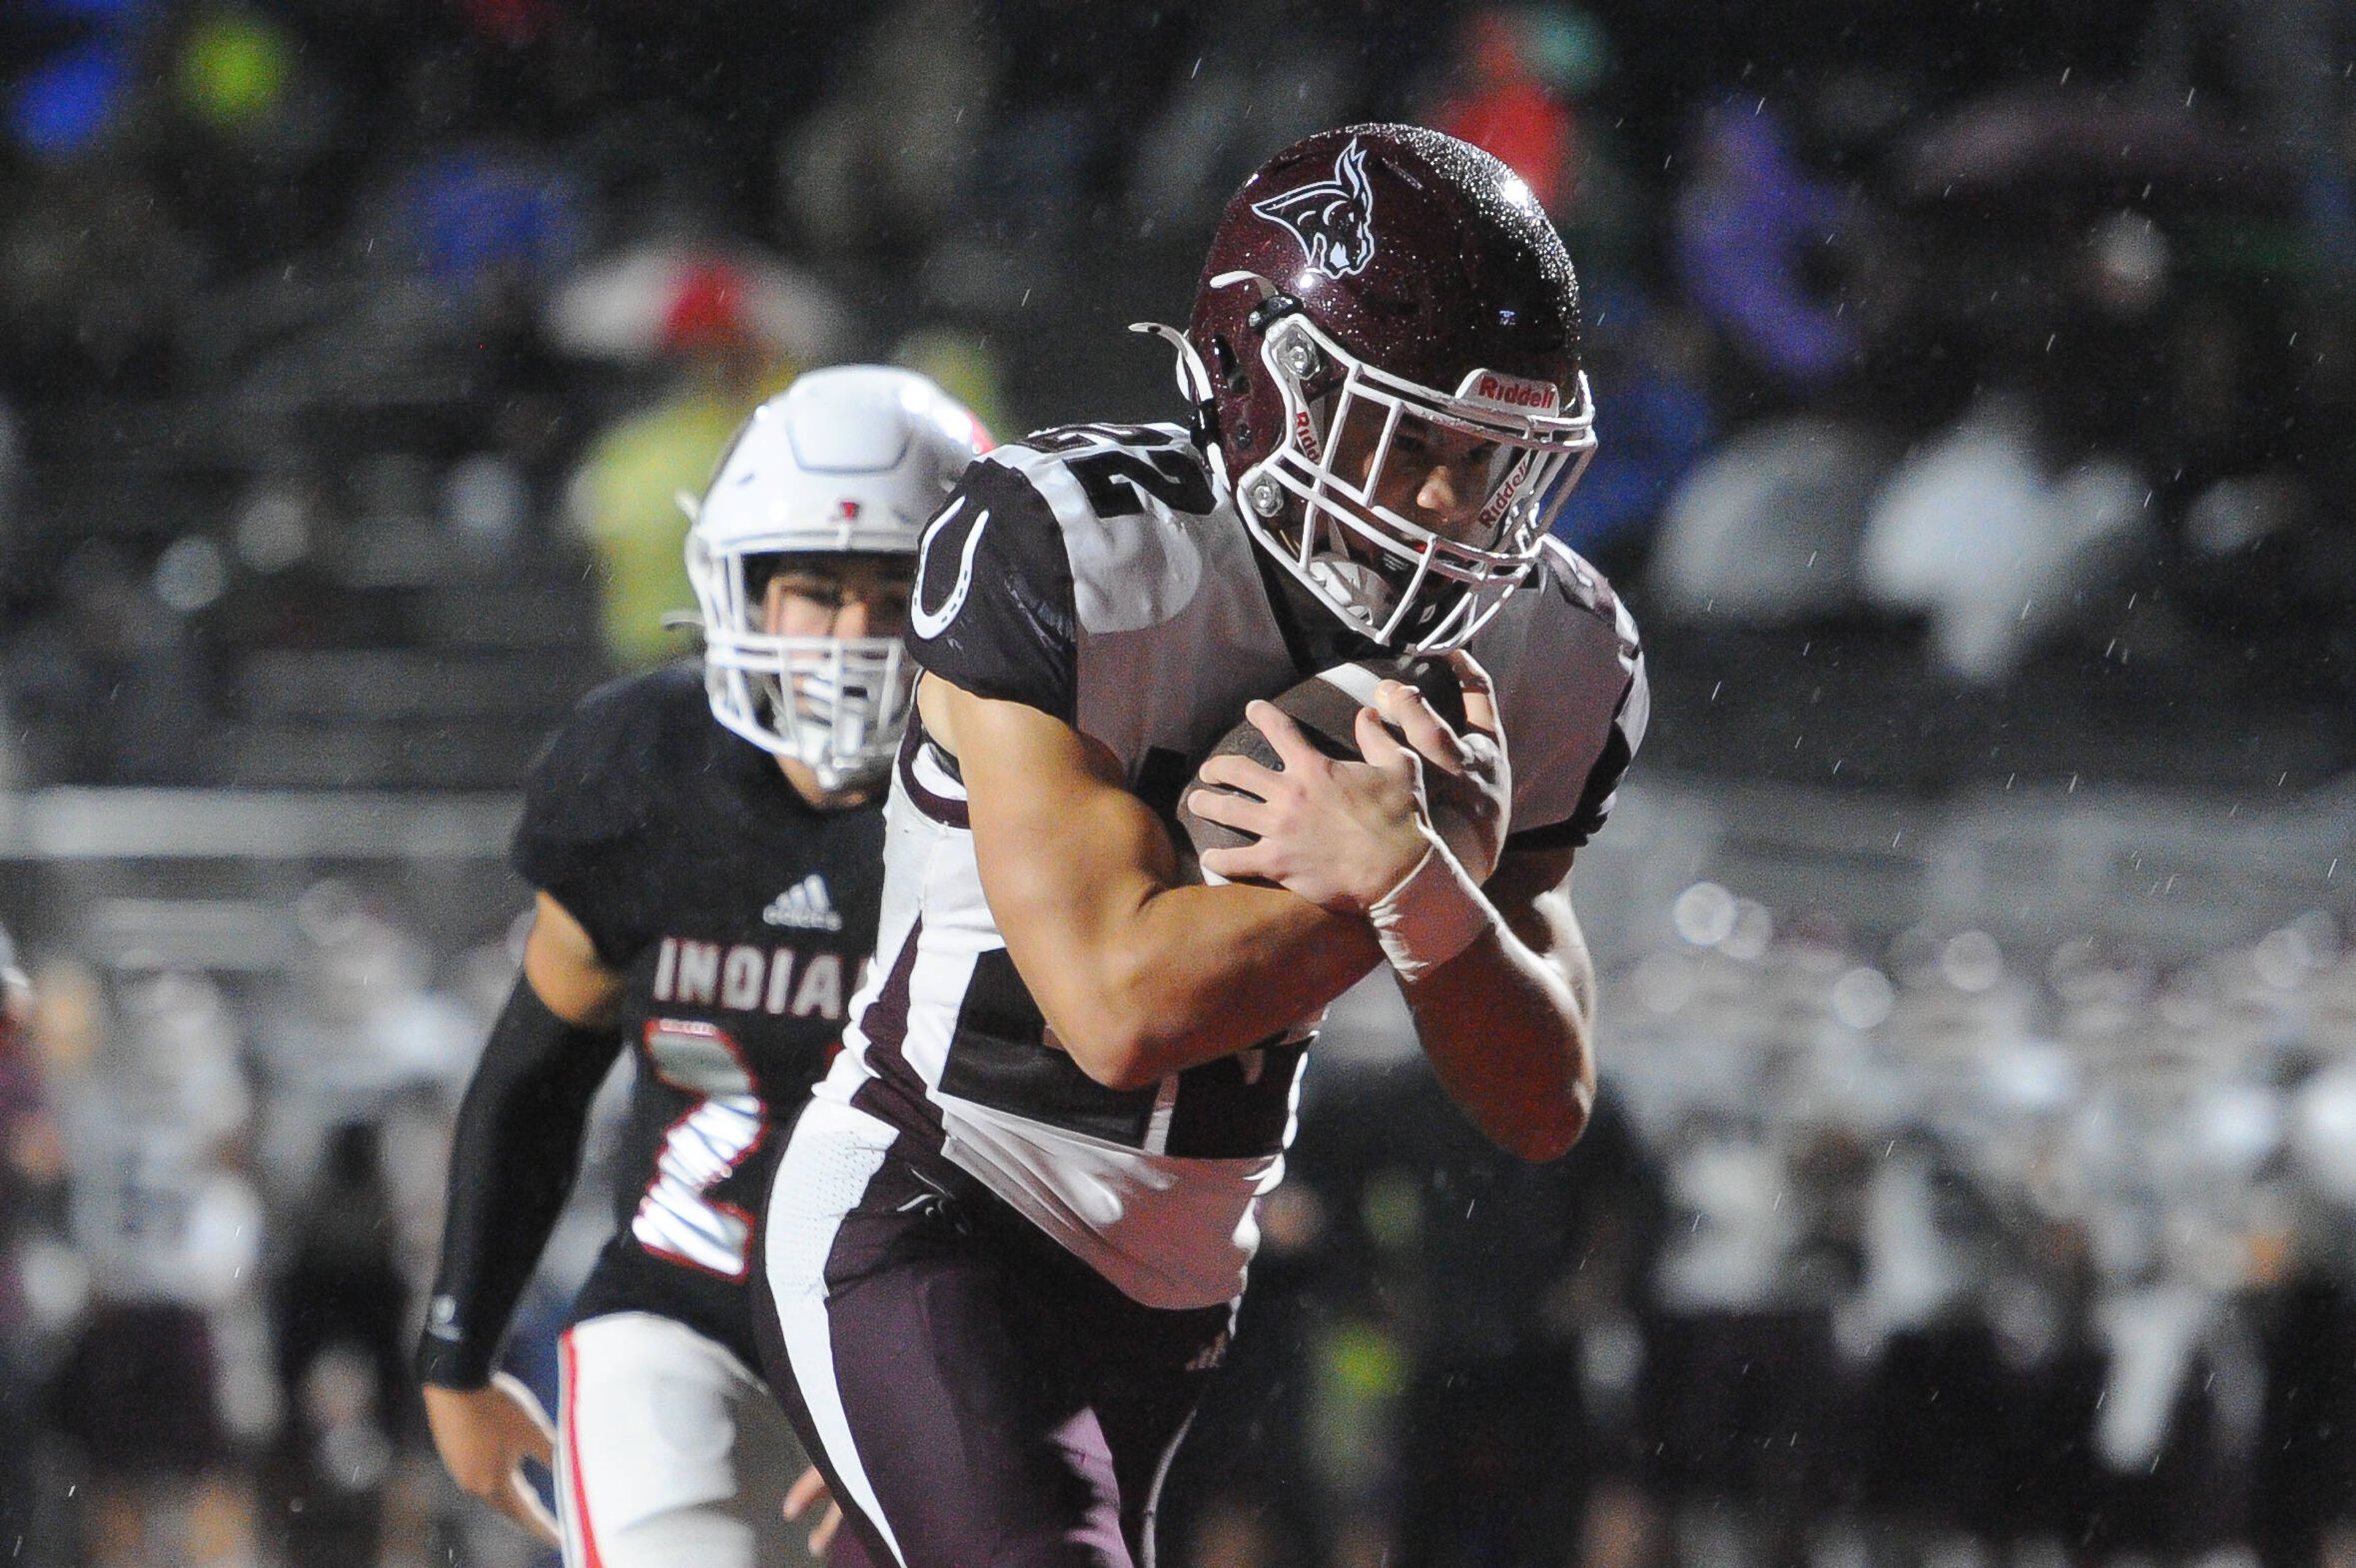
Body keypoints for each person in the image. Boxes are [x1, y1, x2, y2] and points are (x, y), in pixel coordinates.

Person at [752, 123, 1649, 1568]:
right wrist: (1408, 885)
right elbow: (1114, 1010)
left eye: (1488, 458)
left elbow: (1541, 1097)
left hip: (1182, 1284)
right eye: (1409, 438)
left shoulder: (1554, 648)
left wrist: (1423, 882)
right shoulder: (1070, 550)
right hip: (943, 1199)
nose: (1447, 505)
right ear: (1265, 385)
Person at [417, 365, 988, 1568]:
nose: (849, 638)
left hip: (948, 1334)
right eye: (815, 591)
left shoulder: (1029, 806)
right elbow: (536, 1067)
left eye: (894, 594)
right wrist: (460, 1349)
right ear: (736, 590)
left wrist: (940, 1410)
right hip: (683, 1312)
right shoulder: (643, 767)